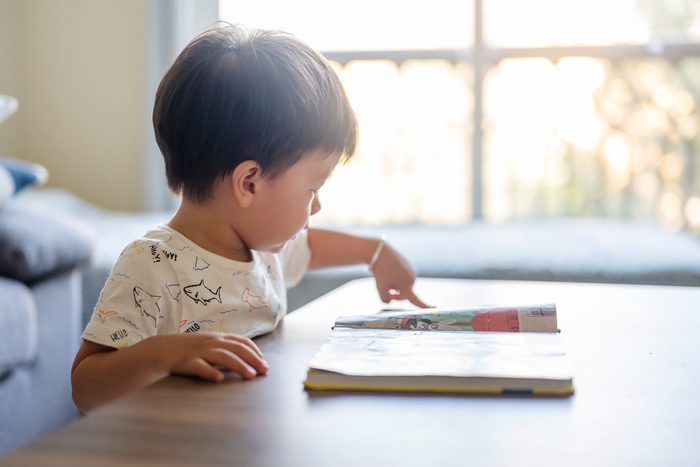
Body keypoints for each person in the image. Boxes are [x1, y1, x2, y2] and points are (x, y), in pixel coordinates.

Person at [71, 23, 427, 412]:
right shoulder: (151, 267)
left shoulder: (261, 249)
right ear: (249, 183)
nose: (317, 207)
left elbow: (313, 247)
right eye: (312, 189)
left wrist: (377, 252)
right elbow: (85, 384)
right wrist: (161, 355)